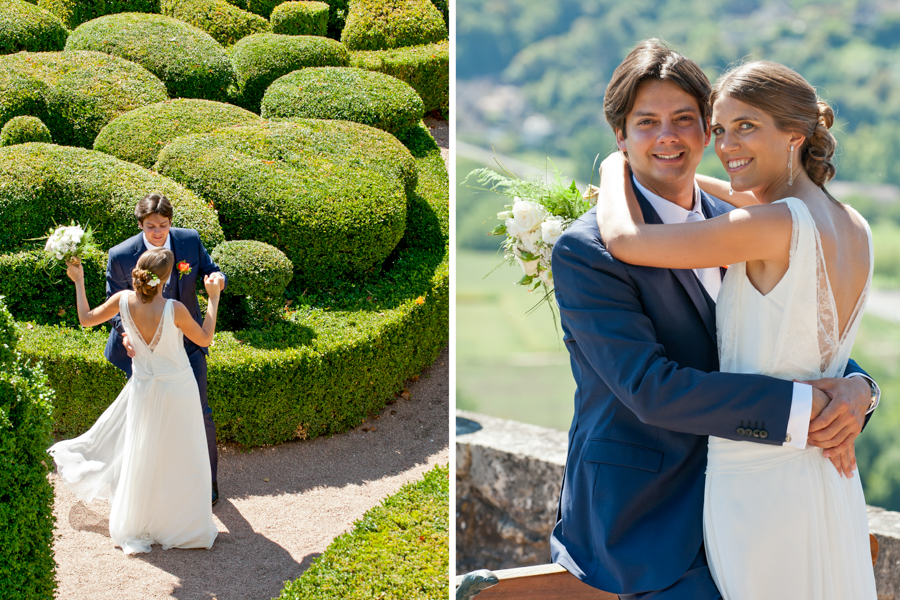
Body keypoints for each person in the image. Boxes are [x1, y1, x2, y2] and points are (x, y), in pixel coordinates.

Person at [549, 39, 879, 599]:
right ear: (621, 135)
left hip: (764, 501)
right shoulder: (587, 251)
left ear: (706, 130)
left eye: (685, 120)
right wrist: (806, 410)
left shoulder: (745, 221)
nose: (667, 136)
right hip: (649, 526)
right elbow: (650, 390)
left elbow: (794, 331)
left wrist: (857, 389)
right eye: (646, 122)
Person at [50, 248, 221, 554]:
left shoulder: (122, 301)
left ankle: (143, 522)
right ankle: (179, 524)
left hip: (143, 388)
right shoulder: (174, 308)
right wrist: (213, 298)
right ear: (166, 277)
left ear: (139, 271)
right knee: (181, 455)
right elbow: (205, 338)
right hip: (178, 389)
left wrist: (79, 281)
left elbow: (86, 319)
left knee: (143, 455)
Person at [104, 193, 226, 505]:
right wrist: (125, 334)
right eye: (150, 227)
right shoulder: (120, 255)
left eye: (163, 225)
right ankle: (150, 487)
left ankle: (207, 483)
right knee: (147, 418)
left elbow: (211, 269)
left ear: (171, 222)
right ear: (140, 224)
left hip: (186, 346)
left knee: (201, 414)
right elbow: (114, 304)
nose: (158, 232)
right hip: (143, 353)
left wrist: (216, 278)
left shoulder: (189, 240)